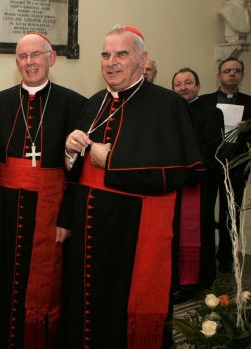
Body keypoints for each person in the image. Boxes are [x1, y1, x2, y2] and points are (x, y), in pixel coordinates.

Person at [62, 25, 202, 348]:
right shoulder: (94, 102)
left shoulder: (168, 106)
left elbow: (176, 175)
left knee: (119, 316)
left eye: (121, 54)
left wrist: (108, 162)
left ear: (142, 59)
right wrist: (70, 152)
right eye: (105, 55)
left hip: (132, 232)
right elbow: (75, 172)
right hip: (89, 232)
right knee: (87, 308)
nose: (111, 62)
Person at [0, 32, 85, 348]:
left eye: (36, 55)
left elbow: (78, 174)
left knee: (50, 286)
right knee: (3, 282)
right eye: (23, 56)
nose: (29, 62)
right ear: (16, 62)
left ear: (51, 58)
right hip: (4, 209)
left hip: (51, 211)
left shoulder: (74, 104)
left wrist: (67, 218)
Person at [172, 68, 225, 302]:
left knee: (193, 231)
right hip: (172, 183)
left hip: (197, 180)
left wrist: (187, 169)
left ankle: (193, 280)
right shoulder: (169, 111)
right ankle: (175, 278)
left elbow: (211, 148)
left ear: (198, 86)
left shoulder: (211, 113)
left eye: (188, 82)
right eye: (178, 84)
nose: (183, 87)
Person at [198, 57, 251, 273]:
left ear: (242, 75)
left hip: (236, 166)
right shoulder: (204, 101)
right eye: (227, 70)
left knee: (232, 212)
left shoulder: (250, 103)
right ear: (219, 75)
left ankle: (227, 256)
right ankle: (206, 255)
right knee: (205, 212)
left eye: (236, 71)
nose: (231, 74)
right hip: (210, 166)